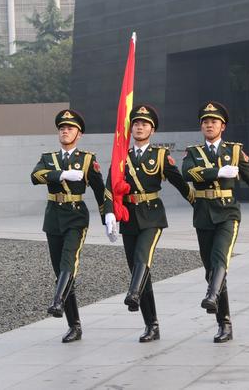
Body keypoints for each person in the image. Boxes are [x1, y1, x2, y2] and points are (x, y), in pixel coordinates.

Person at [181, 101, 249, 343]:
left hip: (228, 213)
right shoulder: (193, 152)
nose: (209, 125)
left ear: (223, 126)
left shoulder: (235, 152)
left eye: (214, 122)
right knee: (211, 270)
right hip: (203, 214)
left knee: (220, 259)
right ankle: (222, 319)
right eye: (205, 122)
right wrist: (218, 172)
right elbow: (188, 173)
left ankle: (215, 304)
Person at [103, 104, 195, 343]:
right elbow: (109, 187)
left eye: (144, 124)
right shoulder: (121, 156)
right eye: (136, 123)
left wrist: (199, 204)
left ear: (152, 130)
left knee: (142, 257)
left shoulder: (161, 155)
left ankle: (133, 294)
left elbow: (180, 183)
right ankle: (151, 325)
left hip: (152, 215)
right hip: (129, 217)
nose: (139, 127)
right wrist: (109, 214)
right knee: (137, 269)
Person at [30, 109, 106, 343]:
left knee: (68, 263)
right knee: (61, 271)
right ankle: (75, 326)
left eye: (70, 128)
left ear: (79, 134)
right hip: (53, 216)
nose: (65, 131)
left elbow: (100, 190)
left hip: (75, 216)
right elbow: (35, 176)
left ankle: (57, 302)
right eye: (62, 128)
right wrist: (62, 174)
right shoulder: (48, 158)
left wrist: (108, 217)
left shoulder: (87, 159)